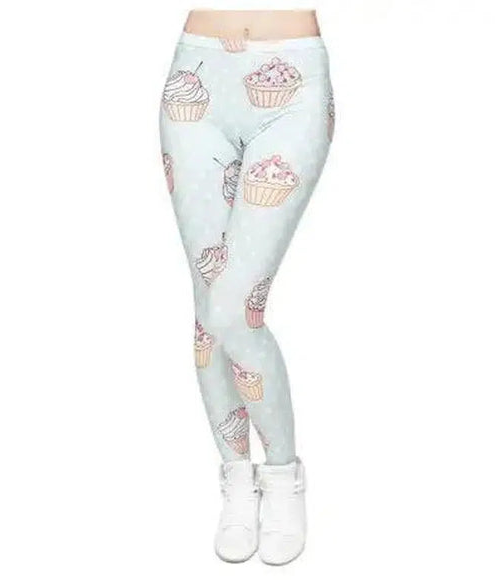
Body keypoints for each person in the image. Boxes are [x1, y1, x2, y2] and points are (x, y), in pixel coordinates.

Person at [159, 9, 334, 565]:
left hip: (294, 85)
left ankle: (283, 476)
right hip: (197, 72)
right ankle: (237, 478)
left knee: (235, 308)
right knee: (210, 310)